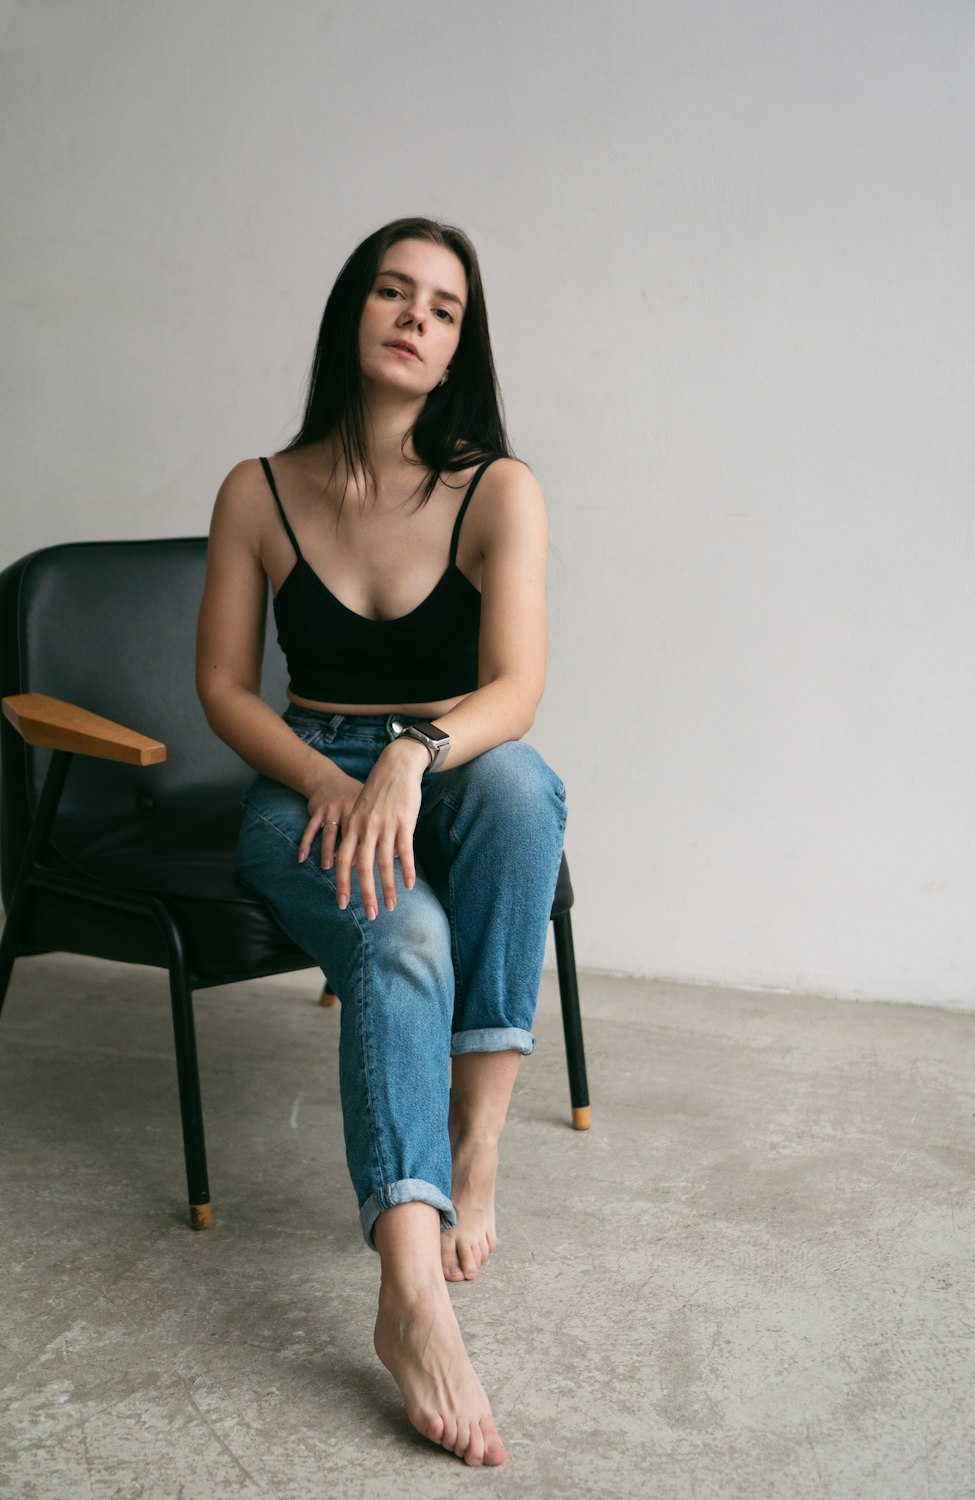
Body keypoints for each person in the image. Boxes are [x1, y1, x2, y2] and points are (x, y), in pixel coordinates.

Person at [196, 217, 566, 1468]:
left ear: (462, 342)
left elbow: (513, 690)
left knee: (521, 789)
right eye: (393, 293)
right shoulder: (256, 490)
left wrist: (409, 752)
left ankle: (476, 1139)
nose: (416, 317)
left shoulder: (494, 488)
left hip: (444, 766)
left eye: (445, 307)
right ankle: (410, 1294)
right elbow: (225, 692)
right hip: (302, 778)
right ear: (352, 313)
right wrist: (326, 783)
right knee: (400, 929)